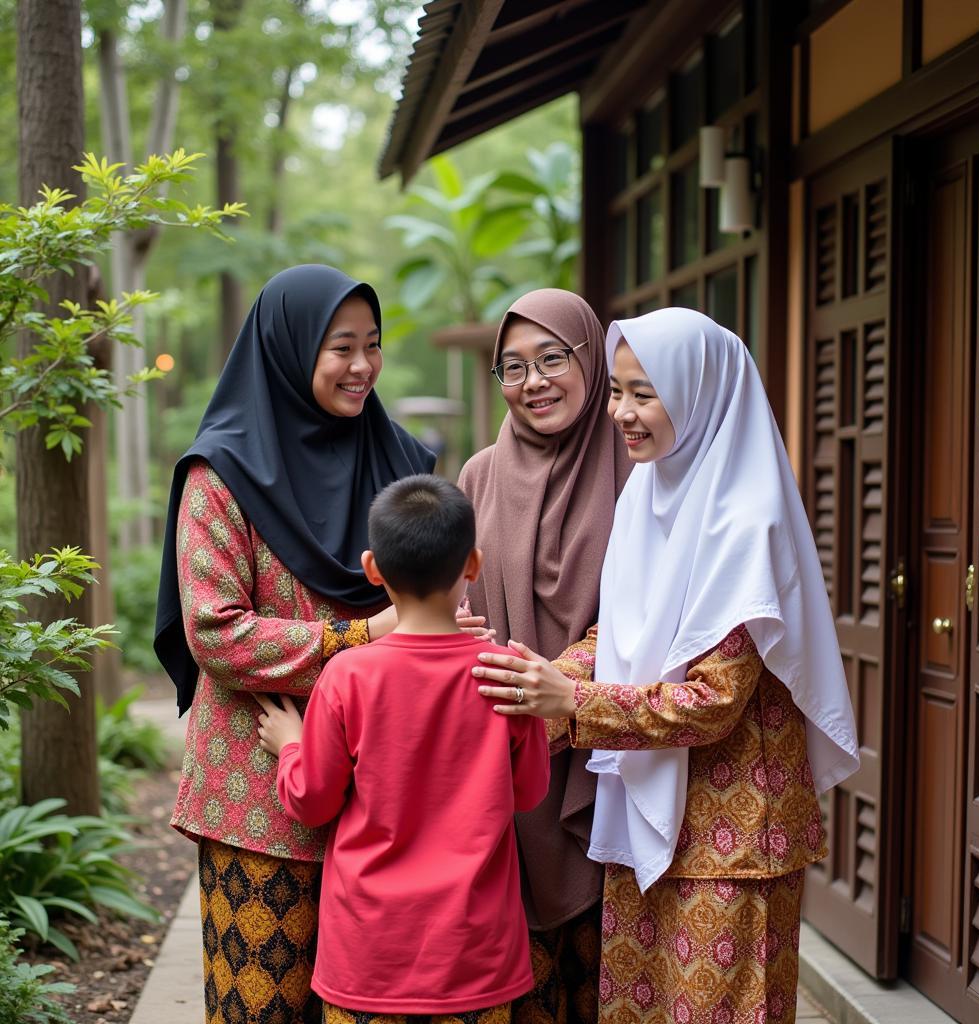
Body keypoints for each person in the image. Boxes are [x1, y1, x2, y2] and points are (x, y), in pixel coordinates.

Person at [473, 308, 860, 1024]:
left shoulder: (749, 521)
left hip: (735, 838)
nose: (620, 411)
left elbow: (712, 699)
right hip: (655, 813)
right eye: (617, 391)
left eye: (642, 393)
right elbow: (621, 632)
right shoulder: (651, 492)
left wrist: (572, 702)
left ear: (698, 390)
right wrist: (545, 676)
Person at [153, 265, 452, 1024]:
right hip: (259, 803)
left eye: (374, 345)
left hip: (383, 799)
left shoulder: (401, 463)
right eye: (340, 347)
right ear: (289, 350)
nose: (363, 366)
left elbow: (436, 604)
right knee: (263, 1010)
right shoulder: (220, 476)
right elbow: (217, 632)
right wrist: (360, 635)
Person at [254, 474, 551, 1022]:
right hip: (475, 955)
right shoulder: (501, 676)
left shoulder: (347, 677)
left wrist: (292, 747)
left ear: (372, 569)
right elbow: (528, 792)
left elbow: (313, 801)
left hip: (369, 954)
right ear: (473, 565)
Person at [458, 289, 632, 1024]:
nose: (534, 382)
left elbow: (658, 620)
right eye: (513, 367)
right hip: (512, 762)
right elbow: (460, 616)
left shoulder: (640, 466)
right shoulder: (478, 476)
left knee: (611, 979)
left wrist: (566, 685)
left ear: (590, 357)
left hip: (616, 758)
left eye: (552, 358)